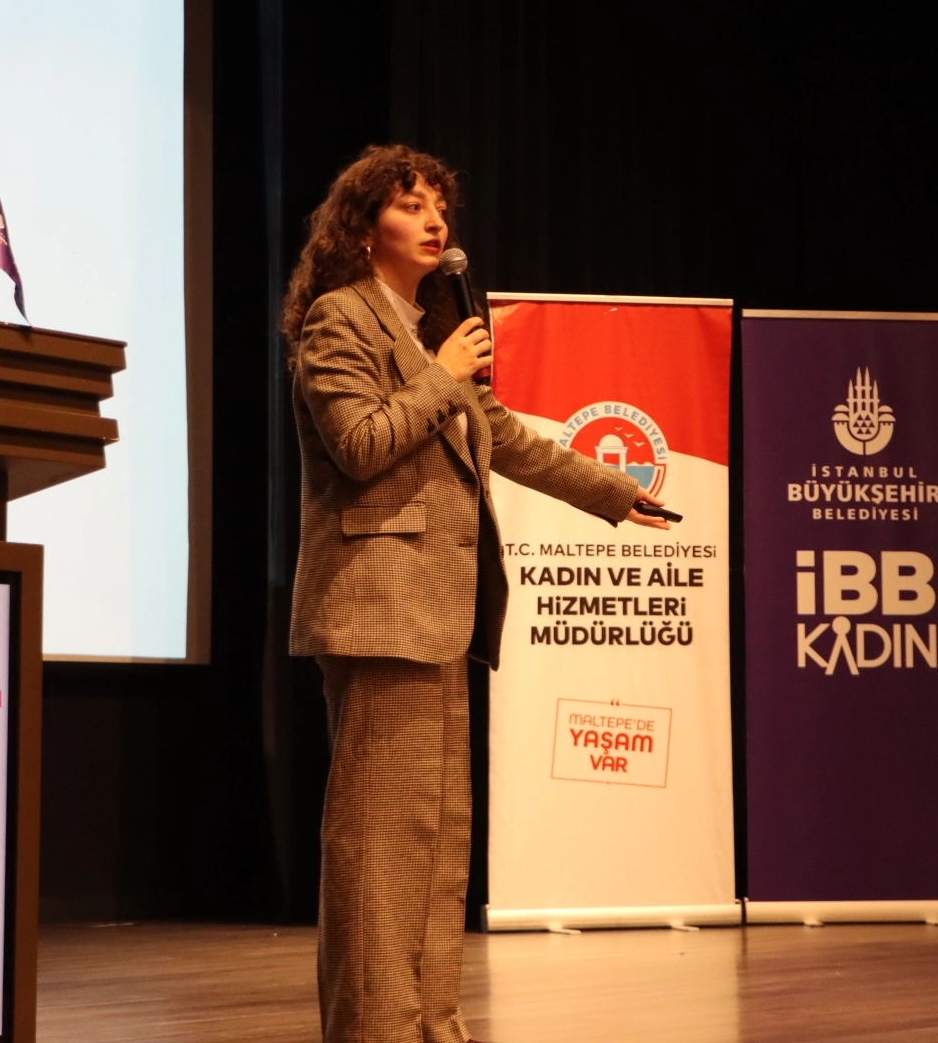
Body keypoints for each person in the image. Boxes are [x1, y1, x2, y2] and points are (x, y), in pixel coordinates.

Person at [283, 144, 671, 1043]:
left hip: (440, 612)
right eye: (410, 205)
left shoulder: (427, 332)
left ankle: (429, 1023)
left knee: (434, 838)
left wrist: (614, 493)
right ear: (363, 228)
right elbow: (360, 444)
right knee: (379, 845)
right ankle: (374, 1029)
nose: (434, 220)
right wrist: (443, 374)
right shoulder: (340, 320)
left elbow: (505, 436)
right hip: (378, 612)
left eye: (439, 206)